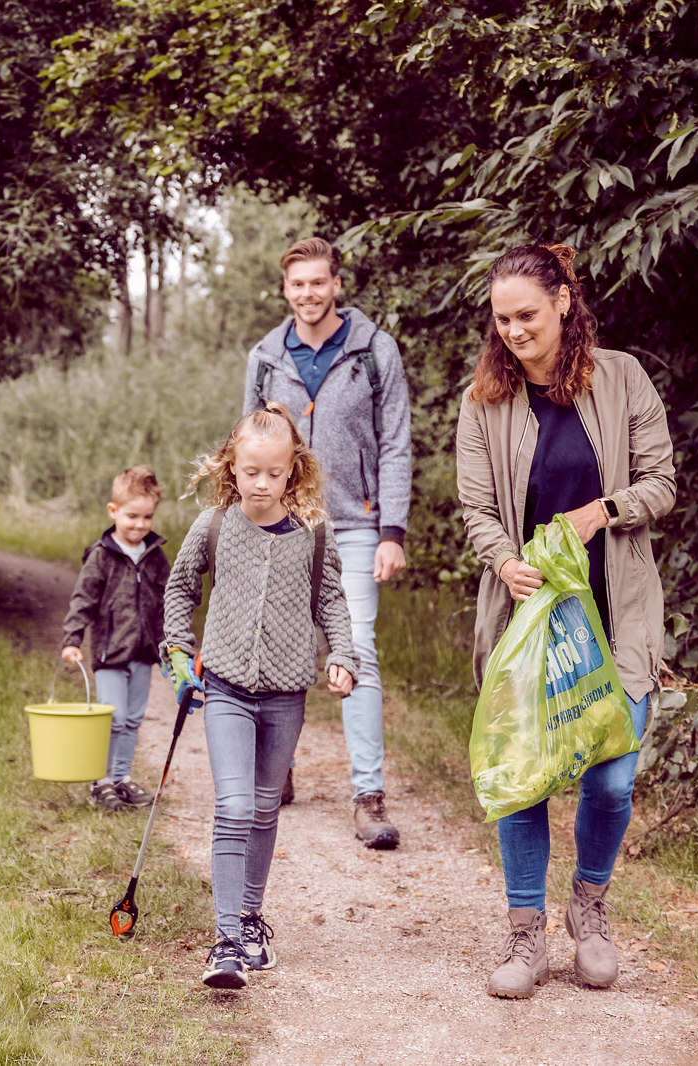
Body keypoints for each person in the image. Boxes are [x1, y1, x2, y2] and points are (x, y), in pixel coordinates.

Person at [455, 243, 677, 999]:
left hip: (615, 614)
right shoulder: (484, 400)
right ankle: (526, 932)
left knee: (612, 779)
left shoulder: (622, 378)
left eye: (526, 315)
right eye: (502, 320)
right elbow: (477, 508)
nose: (514, 331)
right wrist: (503, 560)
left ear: (563, 302)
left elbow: (661, 482)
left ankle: (590, 906)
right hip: (527, 622)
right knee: (524, 779)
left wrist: (603, 510)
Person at [163, 402, 357, 989]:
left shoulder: (313, 533)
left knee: (266, 806)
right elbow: (180, 587)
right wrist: (178, 649)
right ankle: (225, 941)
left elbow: (332, 600)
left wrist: (343, 655)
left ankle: (250, 918)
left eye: (274, 473)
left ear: (293, 469)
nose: (263, 484)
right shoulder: (214, 525)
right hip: (223, 687)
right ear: (231, 467)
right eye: (251, 472)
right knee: (235, 806)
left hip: (285, 694)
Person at [243, 237, 411, 849]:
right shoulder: (265, 358)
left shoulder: (375, 350)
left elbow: (395, 443)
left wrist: (392, 531)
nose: (308, 294)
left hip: (358, 524)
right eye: (297, 284)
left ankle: (368, 796)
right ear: (285, 289)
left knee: (355, 647)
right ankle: (276, 770)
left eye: (318, 282)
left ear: (336, 284)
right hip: (283, 522)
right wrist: (245, 522)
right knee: (278, 644)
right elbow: (246, 446)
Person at [61, 466, 172, 812]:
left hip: (143, 652)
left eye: (147, 517)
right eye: (132, 516)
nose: (140, 524)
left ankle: (122, 778)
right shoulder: (101, 556)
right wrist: (72, 638)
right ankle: (101, 781)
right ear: (113, 511)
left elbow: (166, 602)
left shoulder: (155, 556)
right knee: (115, 718)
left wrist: (169, 644)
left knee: (134, 718)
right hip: (110, 653)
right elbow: (83, 599)